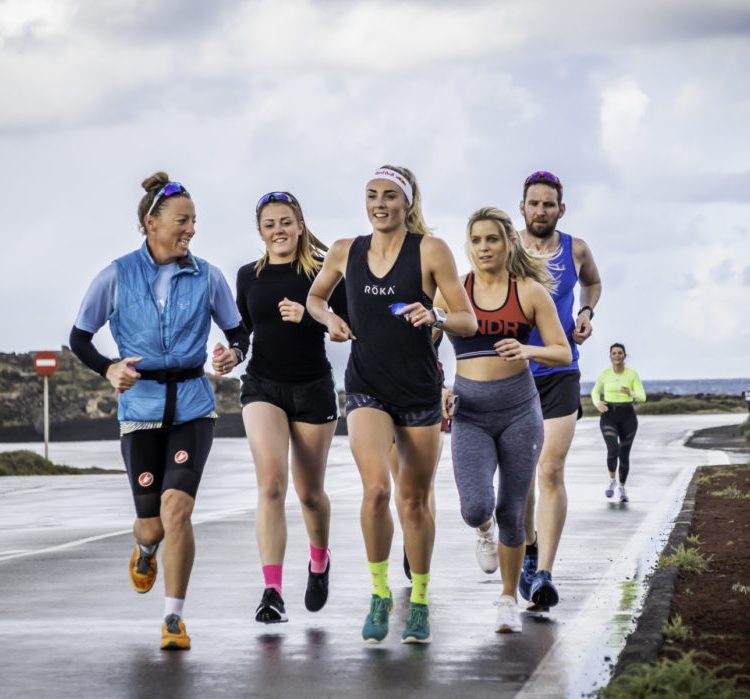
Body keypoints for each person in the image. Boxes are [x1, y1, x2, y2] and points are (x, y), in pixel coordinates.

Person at [69, 172, 248, 650]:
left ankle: (174, 618)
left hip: (193, 404)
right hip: (141, 407)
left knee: (177, 509)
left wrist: (233, 354)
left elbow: (237, 332)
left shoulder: (208, 275)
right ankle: (145, 548)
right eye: (181, 221)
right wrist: (109, 369)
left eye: (194, 222)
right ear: (152, 223)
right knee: (152, 523)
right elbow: (79, 338)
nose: (190, 230)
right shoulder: (116, 275)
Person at [307, 165, 476, 644]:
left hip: (419, 389)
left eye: (389, 196)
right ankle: (379, 594)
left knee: (414, 501)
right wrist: (328, 319)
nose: (379, 204)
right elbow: (316, 297)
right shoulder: (345, 250)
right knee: (377, 491)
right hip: (366, 387)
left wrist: (437, 312)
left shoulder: (430, 250)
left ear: (407, 202)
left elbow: (466, 320)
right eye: (371, 195)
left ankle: (419, 600)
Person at [436, 207, 571, 633]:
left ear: (508, 242)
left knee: (513, 511)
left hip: (518, 410)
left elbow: (562, 352)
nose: (483, 248)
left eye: (491, 239)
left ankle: (508, 598)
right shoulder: (453, 291)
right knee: (476, 505)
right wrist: (438, 386)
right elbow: (425, 345)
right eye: (475, 240)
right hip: (470, 411)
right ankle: (482, 530)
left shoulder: (529, 292)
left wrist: (528, 351)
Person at [236, 191, 347, 624]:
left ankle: (319, 561)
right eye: (270, 224)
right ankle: (272, 591)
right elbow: (243, 331)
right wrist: (231, 351)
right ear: (260, 232)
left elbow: (346, 326)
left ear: (300, 225)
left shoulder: (324, 272)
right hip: (262, 385)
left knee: (310, 493)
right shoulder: (248, 276)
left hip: (312, 389)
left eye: (286, 222)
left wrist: (310, 314)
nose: (278, 230)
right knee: (270, 487)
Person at [518, 170, 602, 611]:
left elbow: (593, 282)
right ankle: (528, 549)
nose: (541, 210)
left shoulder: (576, 249)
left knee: (550, 469)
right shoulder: (507, 247)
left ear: (560, 210)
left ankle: (545, 573)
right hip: (513, 374)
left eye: (549, 204)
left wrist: (586, 313)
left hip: (562, 369)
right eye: (534, 203)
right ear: (523, 207)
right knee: (521, 476)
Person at [590, 343, 646, 503]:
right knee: (613, 449)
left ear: (624, 356)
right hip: (609, 415)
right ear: (610, 356)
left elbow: (642, 397)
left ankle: (622, 487)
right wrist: (597, 403)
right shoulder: (604, 374)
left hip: (628, 416)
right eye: (614, 353)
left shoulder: (632, 374)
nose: (617, 355)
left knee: (624, 455)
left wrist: (631, 392)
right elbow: (595, 391)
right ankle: (612, 481)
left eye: (620, 353)